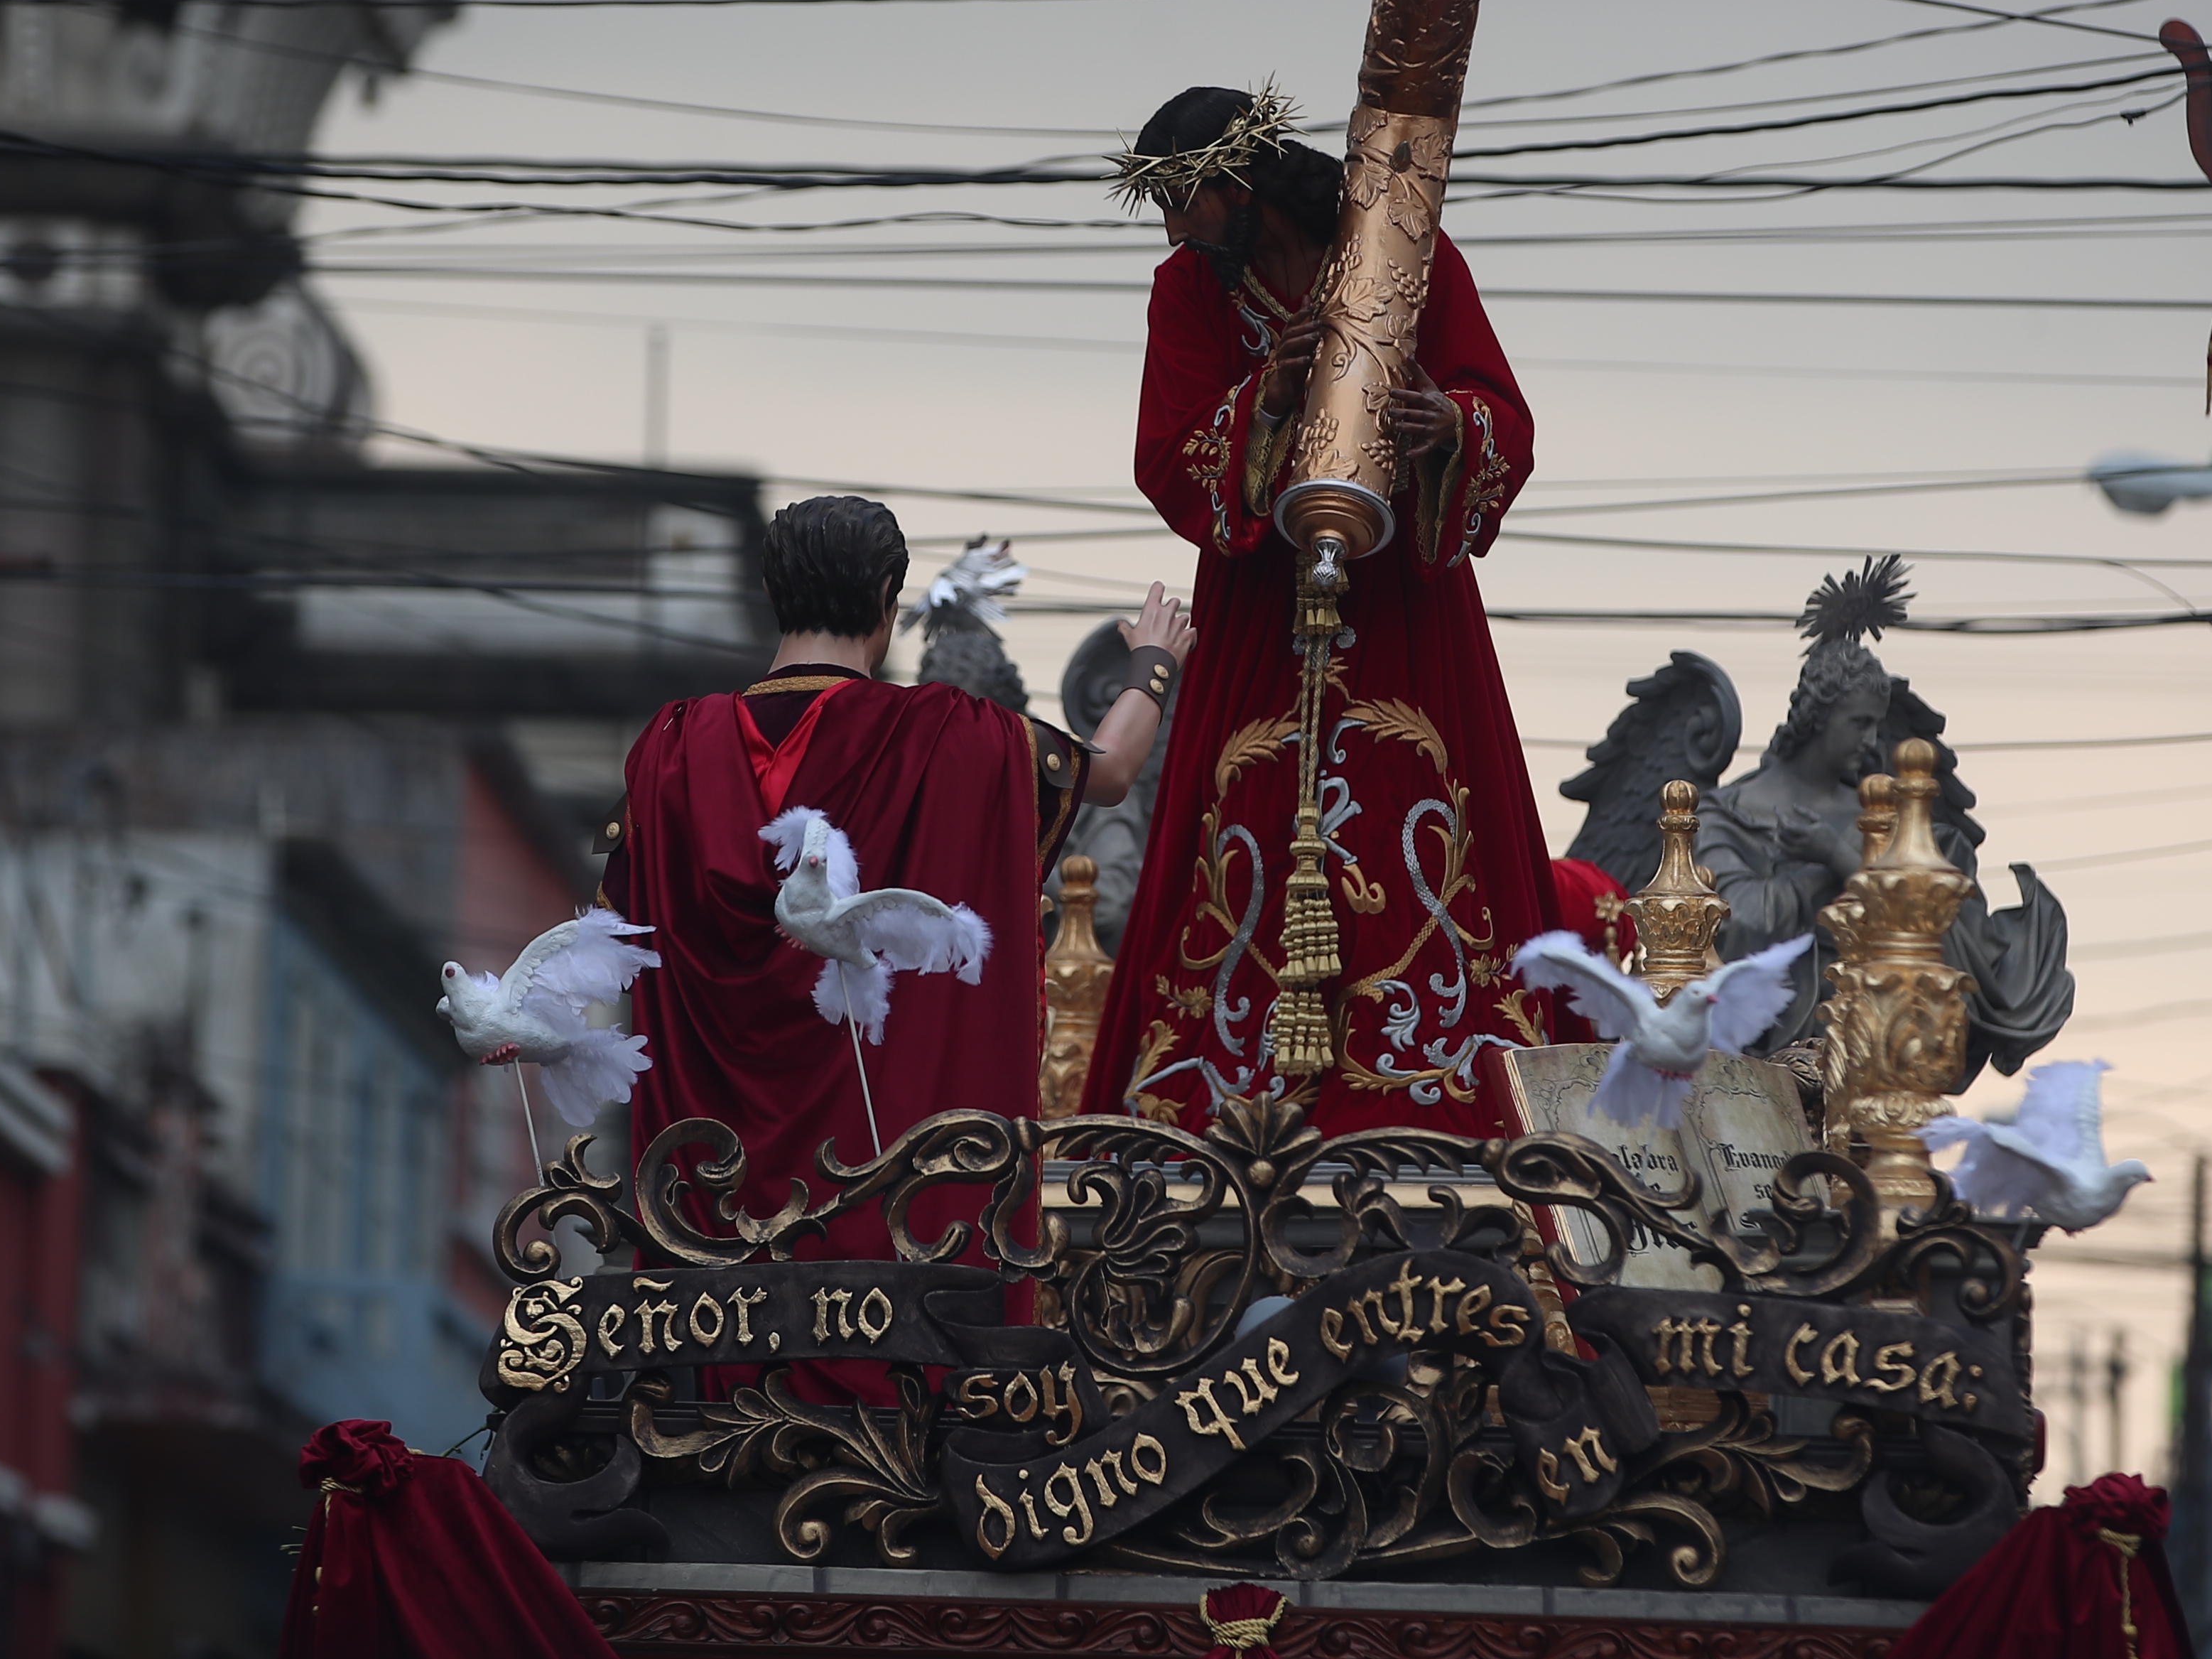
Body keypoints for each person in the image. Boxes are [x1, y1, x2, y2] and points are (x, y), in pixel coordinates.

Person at [1080, 83, 1573, 1140]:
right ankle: (1223, 1093)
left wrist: (1449, 425)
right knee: (1242, 815)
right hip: (1261, 604)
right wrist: (1264, 397)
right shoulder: (1189, 290)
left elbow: (1504, 416)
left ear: (1243, 183)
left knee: (1418, 805)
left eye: (1186, 202)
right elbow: (1165, 457)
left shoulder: (1409, 255)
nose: (1172, 230)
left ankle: (1439, 1087)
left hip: (1403, 609)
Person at [602, 495, 1186, 1218]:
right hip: (896, 1222)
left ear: (772, 595)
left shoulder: (672, 751)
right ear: (887, 599)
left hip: (706, 1218)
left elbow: (606, 943)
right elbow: (1113, 767)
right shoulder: (950, 736)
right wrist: (1153, 664)